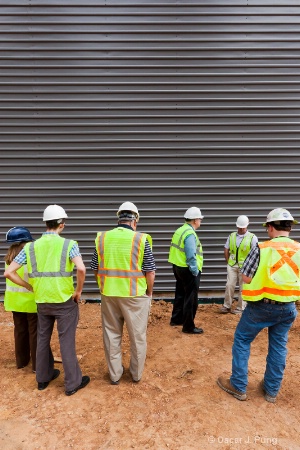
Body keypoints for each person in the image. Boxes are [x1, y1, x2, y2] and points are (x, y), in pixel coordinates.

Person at [4, 204, 90, 396]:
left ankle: (43, 378)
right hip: (64, 301)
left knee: (43, 339)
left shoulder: (31, 247)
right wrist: (78, 291)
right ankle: (72, 384)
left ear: (45, 223)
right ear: (62, 224)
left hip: (42, 301)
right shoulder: (70, 245)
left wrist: (30, 287)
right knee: (66, 341)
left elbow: (8, 272)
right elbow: (82, 269)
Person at [217, 208, 299, 403]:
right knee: (279, 346)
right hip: (288, 308)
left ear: (270, 227)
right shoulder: (298, 249)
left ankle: (238, 386)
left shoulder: (262, 248)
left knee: (242, 340)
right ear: (289, 228)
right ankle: (271, 390)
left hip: (261, 306)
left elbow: (245, 276)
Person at [90, 201, 156, 385]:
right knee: (137, 336)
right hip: (135, 296)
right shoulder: (140, 239)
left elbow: (94, 267)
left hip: (109, 294)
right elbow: (150, 271)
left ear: (118, 219)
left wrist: (103, 286)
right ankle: (135, 374)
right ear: (135, 221)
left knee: (111, 334)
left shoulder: (102, 238)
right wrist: (149, 292)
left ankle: (115, 375)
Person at [4, 227, 37, 372]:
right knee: (34, 332)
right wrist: (29, 287)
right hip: (31, 302)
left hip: (15, 302)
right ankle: (37, 365)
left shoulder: (9, 257)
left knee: (20, 331)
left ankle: (22, 361)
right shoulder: (29, 257)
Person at [168, 207, 204, 334]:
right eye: (199, 219)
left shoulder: (180, 230)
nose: (200, 221)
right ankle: (188, 326)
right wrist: (195, 271)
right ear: (194, 220)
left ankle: (176, 319)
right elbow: (191, 255)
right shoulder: (189, 234)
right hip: (188, 269)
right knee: (191, 297)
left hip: (177, 266)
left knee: (180, 293)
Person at [220, 215, 258, 315]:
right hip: (232, 265)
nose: (241, 229)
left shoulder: (252, 238)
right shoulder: (232, 236)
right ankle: (226, 305)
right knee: (229, 285)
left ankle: (240, 307)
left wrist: (251, 267)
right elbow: (226, 249)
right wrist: (228, 261)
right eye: (239, 227)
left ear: (247, 226)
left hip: (245, 267)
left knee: (243, 287)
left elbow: (255, 253)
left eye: (243, 227)